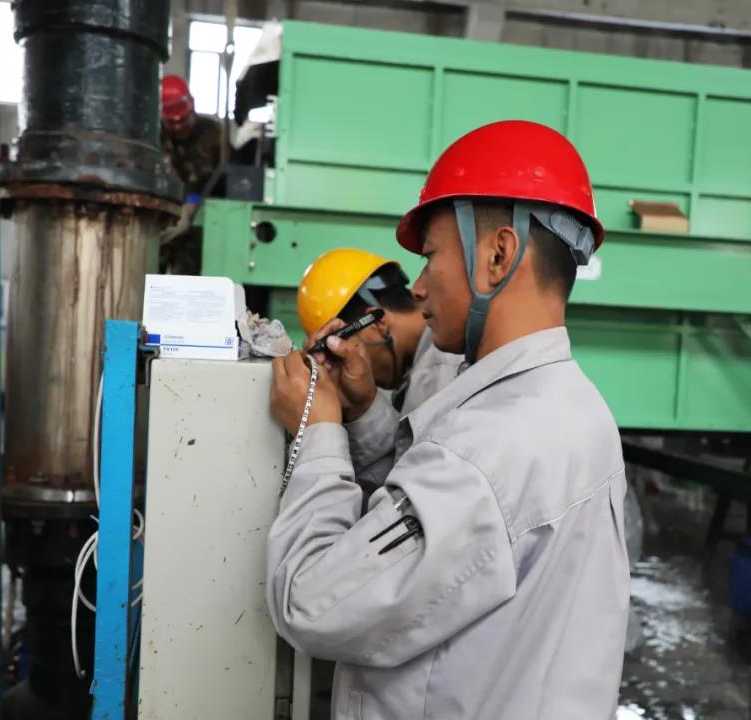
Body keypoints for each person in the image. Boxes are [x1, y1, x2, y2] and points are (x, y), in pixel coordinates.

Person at [266, 120, 629, 719]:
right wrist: (362, 411)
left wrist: (318, 428)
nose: (416, 286)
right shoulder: (571, 407)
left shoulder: (494, 446)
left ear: (498, 256)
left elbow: (311, 602)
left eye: (431, 255)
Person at [297, 248, 463, 485]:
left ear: (377, 321)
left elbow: (404, 486)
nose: (352, 363)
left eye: (342, 351)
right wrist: (362, 406)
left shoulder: (436, 371)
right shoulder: (430, 357)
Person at [159, 74, 221, 258]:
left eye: (183, 120)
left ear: (192, 105)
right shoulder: (156, 139)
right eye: (172, 123)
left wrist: (192, 205)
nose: (178, 127)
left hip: (204, 223)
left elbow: (219, 180)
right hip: (165, 217)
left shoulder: (213, 135)